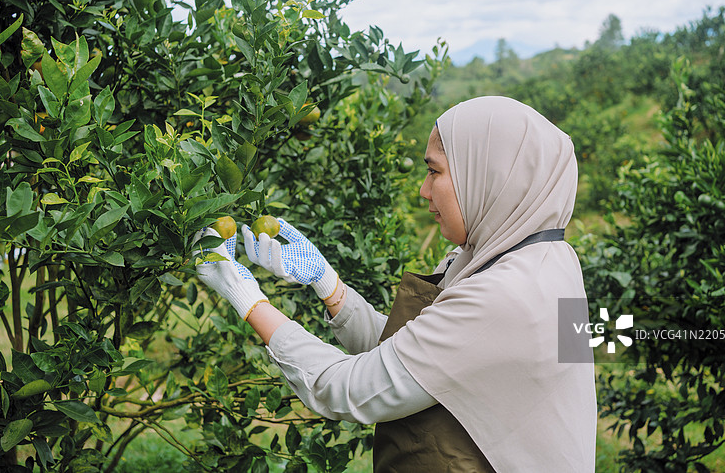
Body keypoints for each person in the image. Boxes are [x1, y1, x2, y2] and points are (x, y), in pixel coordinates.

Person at [195, 96, 597, 472]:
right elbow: (411, 356)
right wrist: (330, 286)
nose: (423, 189)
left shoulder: (505, 296)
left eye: (434, 171)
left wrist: (245, 296)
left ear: (489, 176)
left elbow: (347, 389)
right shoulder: (547, 259)